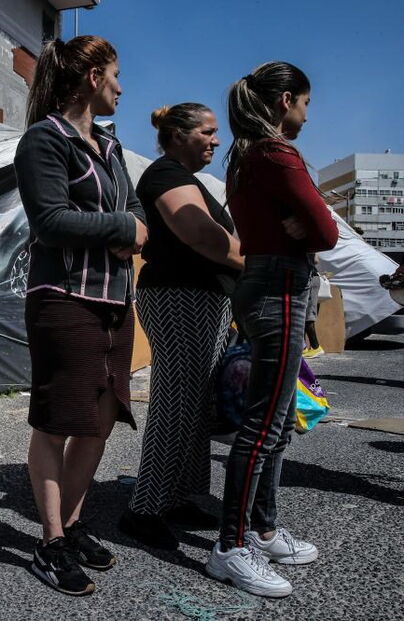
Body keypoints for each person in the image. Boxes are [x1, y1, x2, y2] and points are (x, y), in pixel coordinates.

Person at [13, 35, 148, 596]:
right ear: (93, 77)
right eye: (116, 74)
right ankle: (49, 542)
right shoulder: (44, 140)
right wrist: (121, 230)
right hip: (64, 299)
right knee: (56, 420)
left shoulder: (112, 148)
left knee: (98, 418)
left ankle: (69, 525)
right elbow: (49, 220)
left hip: (116, 302)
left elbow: (136, 209)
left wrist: (132, 226)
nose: (122, 86)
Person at [207, 62, 338, 598]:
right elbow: (327, 231)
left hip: (267, 284)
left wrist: (303, 223)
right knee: (264, 427)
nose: (309, 113)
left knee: (277, 422)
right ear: (285, 100)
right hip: (280, 287)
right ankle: (231, 546)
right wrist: (307, 223)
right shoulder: (276, 153)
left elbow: (313, 226)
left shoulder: (243, 157)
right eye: (306, 102)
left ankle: (260, 529)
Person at [119, 103, 243, 550]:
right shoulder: (166, 175)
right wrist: (253, 264)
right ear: (177, 135)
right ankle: (144, 508)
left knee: (195, 402)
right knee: (177, 401)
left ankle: (177, 495)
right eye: (207, 132)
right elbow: (199, 234)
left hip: (202, 300)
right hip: (178, 297)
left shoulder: (187, 179)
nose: (216, 140)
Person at [303, 256, 325, 358]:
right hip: (307, 278)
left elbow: (316, 259)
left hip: (311, 279)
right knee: (302, 316)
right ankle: (303, 348)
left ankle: (316, 347)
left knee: (308, 316)